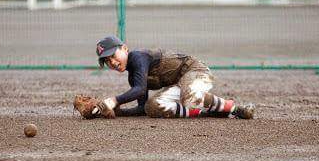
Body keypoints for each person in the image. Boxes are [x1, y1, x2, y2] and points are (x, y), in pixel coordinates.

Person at [94, 35, 255, 119]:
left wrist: (113, 100)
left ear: (125, 48)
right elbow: (142, 109)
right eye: (107, 61)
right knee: (152, 107)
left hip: (195, 71)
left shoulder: (138, 56)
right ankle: (208, 113)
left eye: (113, 55)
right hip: (180, 84)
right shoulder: (134, 77)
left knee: (189, 98)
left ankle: (236, 109)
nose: (113, 62)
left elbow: (140, 89)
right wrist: (121, 112)